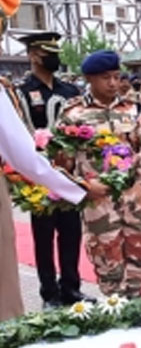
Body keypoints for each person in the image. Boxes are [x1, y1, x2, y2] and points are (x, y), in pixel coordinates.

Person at [58, 50, 141, 298]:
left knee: (138, 247)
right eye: (106, 78)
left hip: (133, 196)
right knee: (106, 252)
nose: (114, 83)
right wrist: (83, 186)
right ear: (89, 79)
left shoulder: (132, 109)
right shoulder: (74, 114)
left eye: (116, 77)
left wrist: (140, 156)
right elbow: (61, 165)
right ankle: (114, 304)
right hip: (98, 199)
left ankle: (136, 301)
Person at [16, 31, 90, 308]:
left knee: (71, 233)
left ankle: (71, 288)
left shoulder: (69, 91)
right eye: (49, 53)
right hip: (36, 176)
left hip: (67, 174)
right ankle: (49, 293)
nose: (54, 58)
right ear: (34, 55)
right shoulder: (21, 91)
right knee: (44, 237)